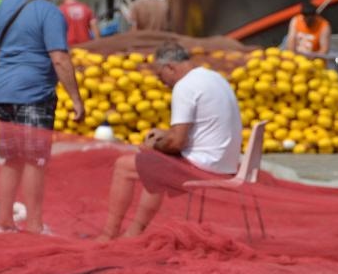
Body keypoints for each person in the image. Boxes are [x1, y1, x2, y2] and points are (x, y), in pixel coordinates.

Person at [98, 42, 242, 240]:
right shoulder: (214, 78)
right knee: (154, 162)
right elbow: (192, 131)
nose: (162, 82)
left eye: (160, 75)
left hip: (205, 165)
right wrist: (163, 137)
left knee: (124, 166)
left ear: (170, 67)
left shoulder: (185, 86)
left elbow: (176, 144)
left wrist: (153, 145)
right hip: (226, 162)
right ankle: (134, 232)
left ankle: (109, 234)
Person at [0, 0, 84, 235]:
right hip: (34, 93)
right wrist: (76, 100)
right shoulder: (51, 13)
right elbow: (60, 59)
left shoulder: (5, 5)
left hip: (4, 91)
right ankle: (34, 225)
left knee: (12, 159)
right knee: (35, 160)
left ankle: (4, 222)